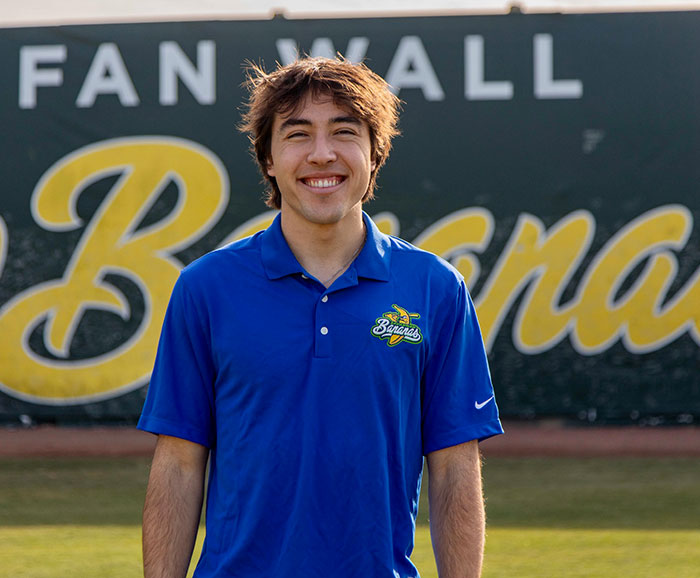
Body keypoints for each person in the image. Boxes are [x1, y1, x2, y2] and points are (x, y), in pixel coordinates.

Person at [138, 56, 503, 578]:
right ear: (267, 156)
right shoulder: (205, 289)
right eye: (297, 134)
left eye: (344, 131)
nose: (322, 154)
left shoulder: (435, 289)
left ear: (375, 153)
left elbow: (454, 468)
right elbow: (177, 463)